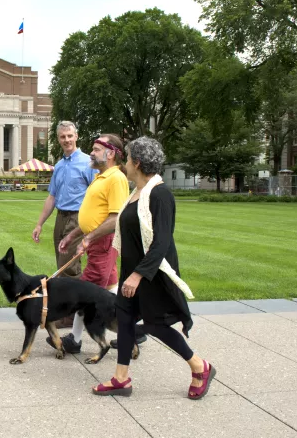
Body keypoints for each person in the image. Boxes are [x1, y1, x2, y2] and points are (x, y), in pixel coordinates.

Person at [92, 137, 215, 399]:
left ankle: (199, 367)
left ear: (137, 163)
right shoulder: (134, 193)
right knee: (124, 322)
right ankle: (121, 379)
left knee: (157, 325)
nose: (124, 162)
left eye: (127, 158)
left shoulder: (160, 195)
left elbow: (161, 243)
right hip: (132, 272)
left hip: (151, 275)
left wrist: (137, 275)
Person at [50, 134, 145, 352]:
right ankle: (131, 331)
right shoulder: (100, 176)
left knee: (85, 292)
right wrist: (73, 236)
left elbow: (115, 218)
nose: (91, 153)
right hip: (97, 242)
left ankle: (75, 340)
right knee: (111, 288)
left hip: (103, 242)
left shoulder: (116, 179)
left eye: (96, 149)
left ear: (110, 153)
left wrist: (89, 238)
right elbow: (93, 215)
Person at [31, 121, 96, 327]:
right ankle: (70, 312)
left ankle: (70, 316)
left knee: (70, 266)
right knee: (61, 264)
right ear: (58, 139)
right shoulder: (59, 166)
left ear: (76, 136)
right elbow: (52, 197)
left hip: (78, 217)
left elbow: (96, 195)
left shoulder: (88, 162)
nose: (66, 140)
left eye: (69, 135)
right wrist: (40, 223)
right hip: (61, 216)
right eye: (62, 137)